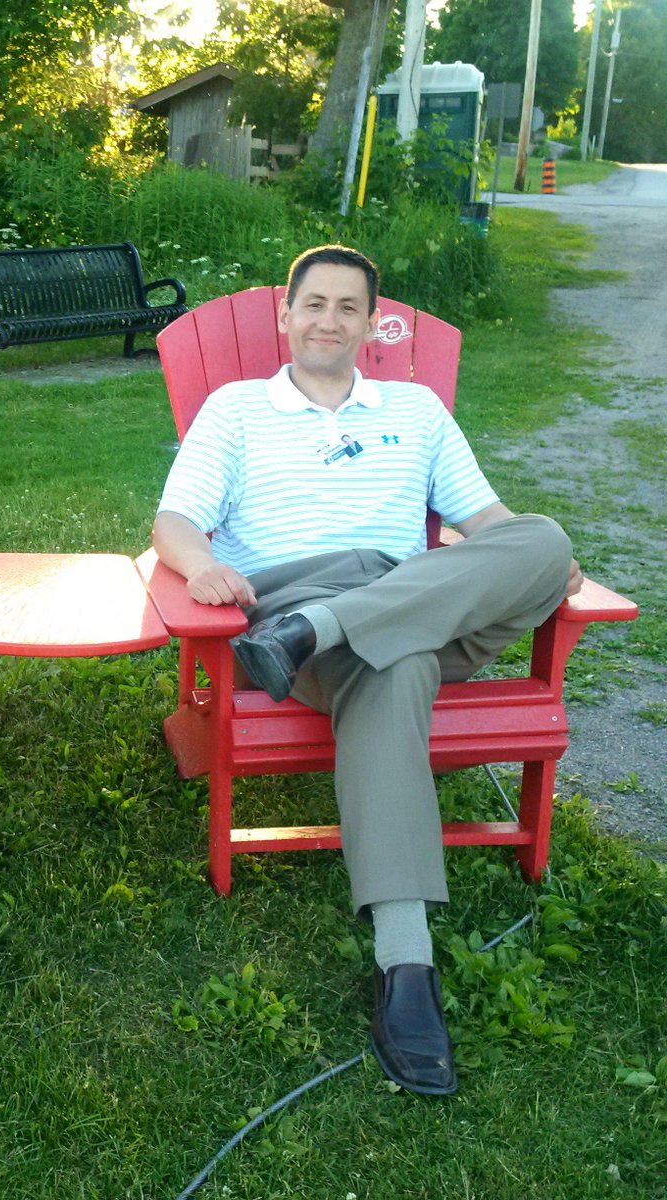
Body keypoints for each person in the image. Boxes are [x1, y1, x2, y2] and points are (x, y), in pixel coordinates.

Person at [153, 244, 582, 1096]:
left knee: (545, 537)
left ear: (372, 324)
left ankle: (325, 629)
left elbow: (490, 520)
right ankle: (407, 967)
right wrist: (200, 568)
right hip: (293, 594)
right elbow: (175, 520)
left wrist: (532, 558)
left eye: (349, 308)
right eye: (314, 304)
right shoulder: (236, 409)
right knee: (388, 638)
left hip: (380, 608)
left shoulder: (416, 410)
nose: (328, 321)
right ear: (286, 314)